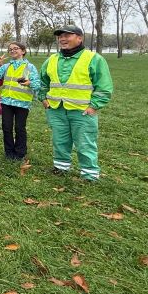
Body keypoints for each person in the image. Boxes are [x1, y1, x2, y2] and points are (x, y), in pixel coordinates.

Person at [38, 25, 113, 181]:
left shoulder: (94, 59)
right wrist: (44, 99)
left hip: (82, 110)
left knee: (85, 142)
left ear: (80, 38)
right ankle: (61, 167)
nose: (63, 39)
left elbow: (104, 86)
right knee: (60, 140)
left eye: (67, 35)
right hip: (56, 109)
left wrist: (94, 106)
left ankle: (89, 174)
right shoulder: (52, 60)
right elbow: (42, 82)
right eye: (60, 37)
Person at [0, 42, 41, 161]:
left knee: (19, 128)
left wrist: (29, 83)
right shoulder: (7, 66)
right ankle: (9, 152)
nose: (12, 51)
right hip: (6, 102)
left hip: (22, 103)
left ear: (23, 51)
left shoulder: (30, 67)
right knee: (6, 127)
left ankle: (20, 153)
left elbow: (38, 84)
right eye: (10, 49)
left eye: (15, 48)